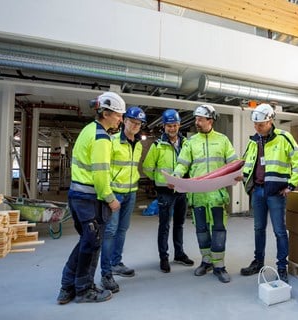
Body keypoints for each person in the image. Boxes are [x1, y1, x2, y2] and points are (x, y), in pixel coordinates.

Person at [57, 91, 125, 304]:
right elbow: (100, 172)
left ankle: (67, 286)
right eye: (118, 115)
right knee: (92, 244)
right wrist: (110, 198)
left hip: (78, 196)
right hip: (89, 199)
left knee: (86, 242)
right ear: (105, 113)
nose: (120, 119)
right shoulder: (101, 137)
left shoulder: (88, 130)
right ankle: (84, 289)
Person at [239, 103, 298, 283]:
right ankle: (258, 262)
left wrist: (291, 185)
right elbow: (246, 162)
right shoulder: (254, 140)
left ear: (270, 121)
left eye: (260, 125)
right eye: (255, 124)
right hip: (258, 191)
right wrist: (243, 177)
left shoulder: (284, 138)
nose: (257, 128)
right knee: (258, 229)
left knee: (279, 231)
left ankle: (281, 267)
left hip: (276, 193)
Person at [171, 104, 238, 283]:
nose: (197, 122)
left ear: (210, 120)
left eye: (200, 119)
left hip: (216, 195)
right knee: (201, 230)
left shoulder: (223, 140)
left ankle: (219, 266)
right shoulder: (191, 142)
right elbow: (182, 164)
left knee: (218, 230)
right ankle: (206, 261)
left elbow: (233, 163)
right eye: (196, 119)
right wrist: (176, 176)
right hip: (198, 195)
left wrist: (238, 174)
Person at [100, 106, 146, 292]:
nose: (135, 126)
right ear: (124, 120)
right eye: (132, 121)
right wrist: (108, 194)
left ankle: (116, 263)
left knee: (122, 229)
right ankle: (105, 273)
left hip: (131, 192)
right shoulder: (112, 141)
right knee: (110, 231)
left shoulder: (139, 144)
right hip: (114, 193)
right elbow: (103, 168)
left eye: (139, 123)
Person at [143, 109, 194, 273]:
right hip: (165, 192)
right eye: (168, 126)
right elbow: (147, 168)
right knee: (164, 225)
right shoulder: (157, 145)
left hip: (182, 190)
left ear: (179, 125)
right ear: (163, 126)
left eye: (174, 125)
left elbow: (190, 164)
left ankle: (179, 254)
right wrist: (161, 182)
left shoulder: (186, 143)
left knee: (179, 224)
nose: (172, 128)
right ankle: (163, 258)